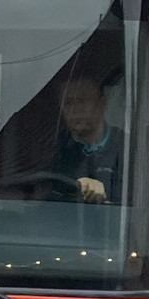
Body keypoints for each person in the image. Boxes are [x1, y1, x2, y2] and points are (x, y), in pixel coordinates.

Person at [55, 74, 121, 203]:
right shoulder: (55, 150)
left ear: (102, 103)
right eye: (68, 102)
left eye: (82, 101)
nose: (74, 110)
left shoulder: (128, 148)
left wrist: (103, 194)